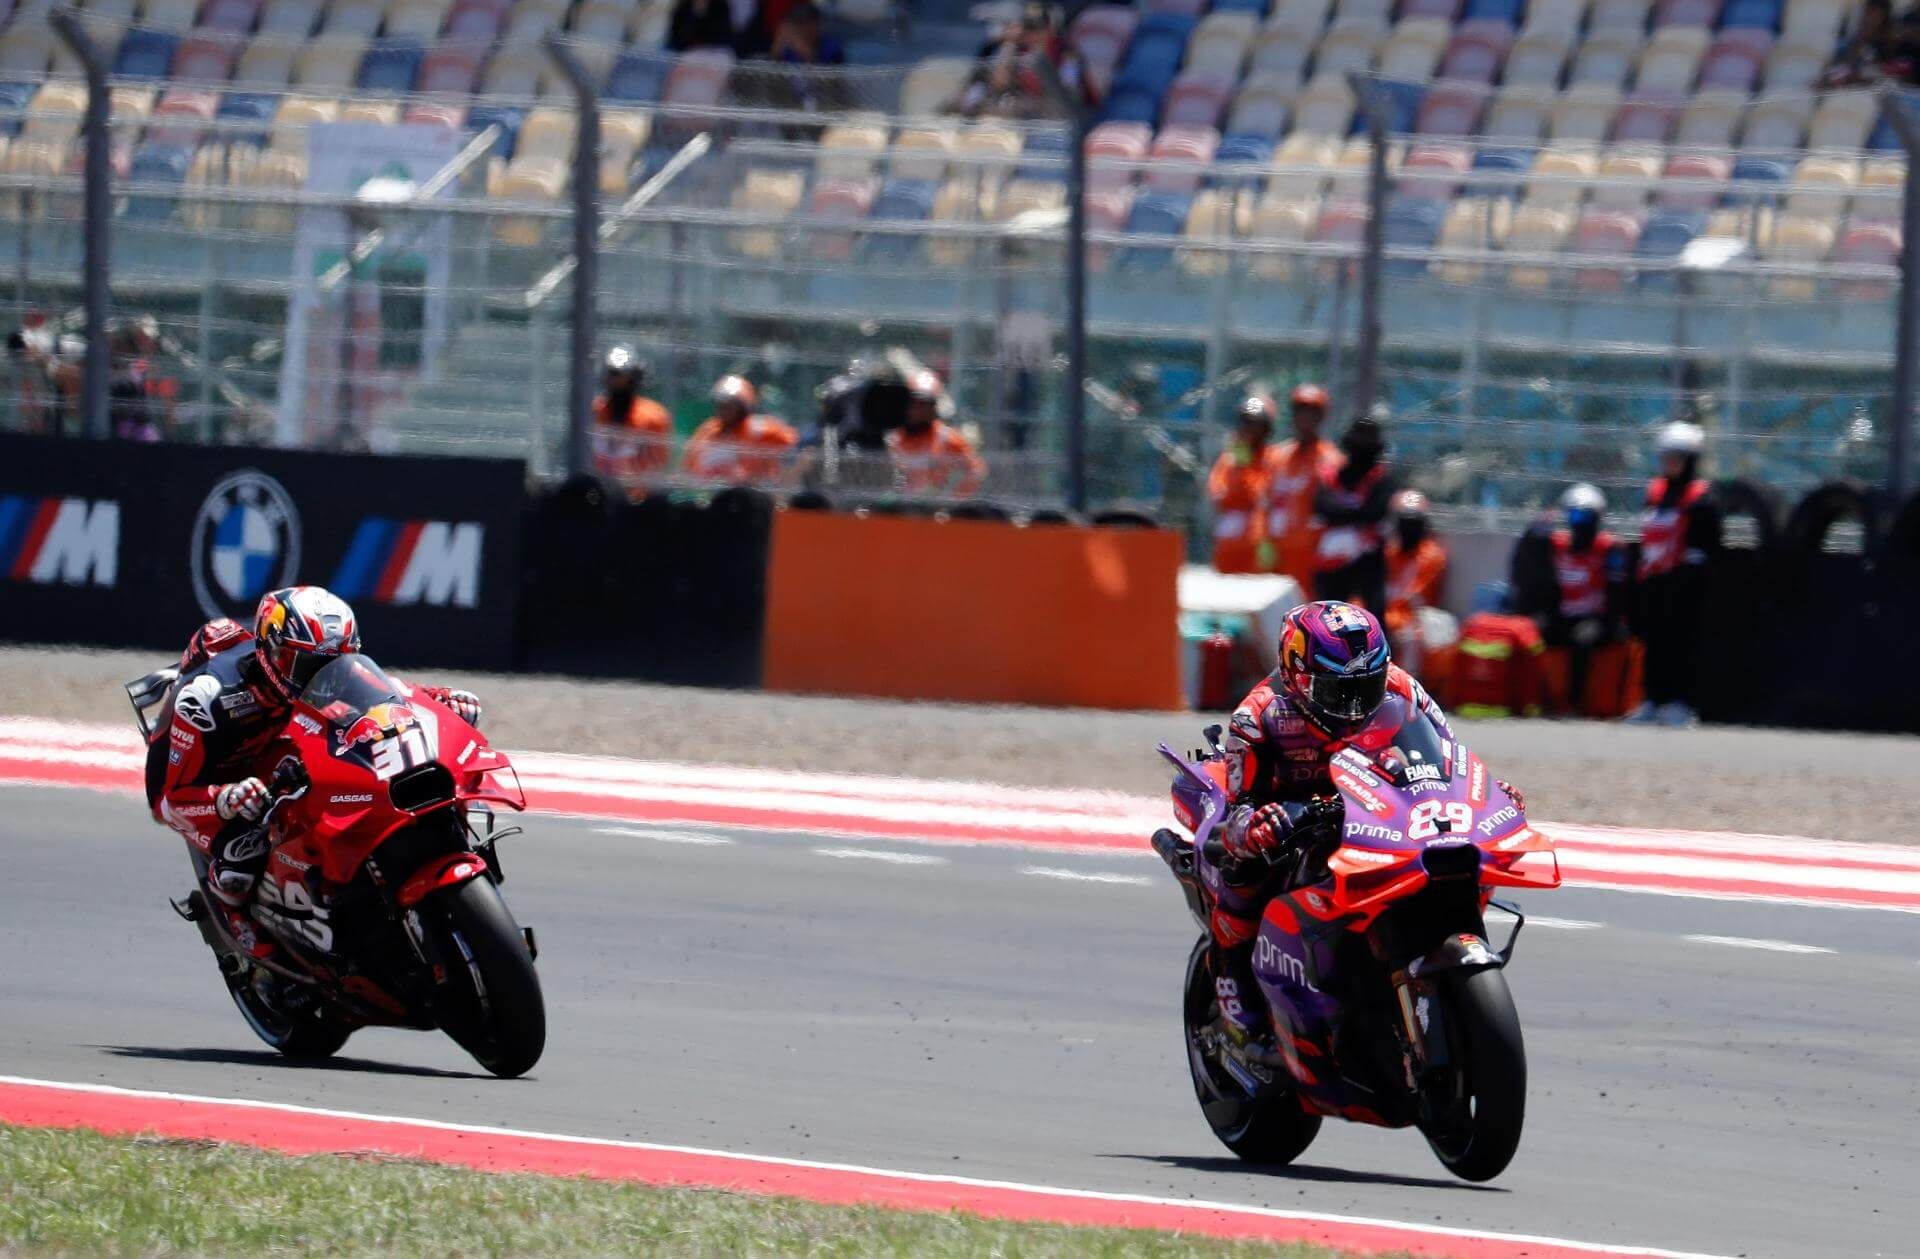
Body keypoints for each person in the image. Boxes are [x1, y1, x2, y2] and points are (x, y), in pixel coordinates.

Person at [1198, 600, 1524, 1048]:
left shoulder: (1404, 689)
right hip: (1295, 821)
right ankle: (1234, 994)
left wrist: (1488, 789)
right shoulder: (1257, 716)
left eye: (1365, 688)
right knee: (1245, 869)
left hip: (1378, 805)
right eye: (1337, 691)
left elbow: (1451, 757)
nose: (1354, 706)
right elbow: (1236, 808)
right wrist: (1256, 825)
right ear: (1296, 676)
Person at [146, 587, 484, 969]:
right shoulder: (208, 698)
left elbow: (385, 692)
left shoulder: (319, 670)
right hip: (208, 775)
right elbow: (169, 801)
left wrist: (437, 699)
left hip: (277, 742)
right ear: (268, 650)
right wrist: (226, 797)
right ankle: (234, 917)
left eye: (334, 663)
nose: (320, 677)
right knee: (247, 843)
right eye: (301, 665)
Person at [1628, 421, 1721, 727]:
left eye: (1676, 457)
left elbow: (1707, 544)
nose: (1669, 464)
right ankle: (1652, 700)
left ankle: (1682, 703)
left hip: (1685, 583)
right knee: (1653, 643)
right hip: (1654, 579)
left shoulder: (1701, 496)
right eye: (1666, 457)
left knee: (1682, 642)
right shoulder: (1654, 492)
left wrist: (1689, 577)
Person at [1544, 483, 1628, 714]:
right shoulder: (1558, 545)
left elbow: (1617, 592)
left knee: (1582, 640)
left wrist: (1607, 622)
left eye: (1585, 516)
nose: (1579, 522)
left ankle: (1575, 702)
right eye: (1574, 515)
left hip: (1596, 618)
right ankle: (1544, 699)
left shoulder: (1609, 549)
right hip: (1565, 614)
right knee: (1540, 633)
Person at [1259, 383, 1342, 588]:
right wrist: (1263, 541)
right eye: (1301, 411)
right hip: (1277, 552)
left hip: (1310, 554)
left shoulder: (1331, 460)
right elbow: (1264, 503)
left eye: (1312, 413)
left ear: (1321, 418)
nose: (1305, 418)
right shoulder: (1278, 457)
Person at [1311, 411, 1394, 610]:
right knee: (1329, 616)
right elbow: (1322, 508)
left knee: (1374, 614)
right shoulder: (1332, 474)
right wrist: (1357, 514)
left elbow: (1375, 512)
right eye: (1359, 435)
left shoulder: (1382, 477)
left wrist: (1343, 514)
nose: (1362, 442)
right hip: (1333, 563)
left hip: (1368, 560)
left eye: (1368, 436)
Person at [682, 374, 798, 485]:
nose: (725, 411)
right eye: (722, 405)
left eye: (730, 406)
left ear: (743, 408)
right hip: (713, 495)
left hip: (753, 495)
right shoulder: (708, 431)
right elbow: (690, 466)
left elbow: (793, 452)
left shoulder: (761, 428)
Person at [885, 370, 985, 497]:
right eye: (915, 403)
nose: (919, 409)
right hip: (897, 510)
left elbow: (976, 470)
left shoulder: (946, 438)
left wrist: (954, 500)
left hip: (933, 511)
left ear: (933, 407)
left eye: (925, 404)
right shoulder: (894, 439)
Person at [1206, 394, 1275, 574]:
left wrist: (1244, 471)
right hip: (1230, 545)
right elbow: (1220, 496)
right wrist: (1239, 465)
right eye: (1246, 422)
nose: (1249, 429)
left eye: (1255, 423)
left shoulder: (1273, 458)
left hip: (1258, 544)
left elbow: (1260, 496)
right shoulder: (1230, 459)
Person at [1382, 489, 1448, 669]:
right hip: (1388, 612)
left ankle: (1408, 689)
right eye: (1404, 523)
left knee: (1411, 636)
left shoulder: (1431, 555)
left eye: (1414, 523)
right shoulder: (1389, 551)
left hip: (1415, 616)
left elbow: (1415, 597)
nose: (1408, 529)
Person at [591, 345, 673, 489]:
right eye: (611, 374)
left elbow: (659, 467)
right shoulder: (595, 411)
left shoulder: (652, 417)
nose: (613, 381)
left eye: (618, 375)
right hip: (597, 495)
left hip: (636, 502)